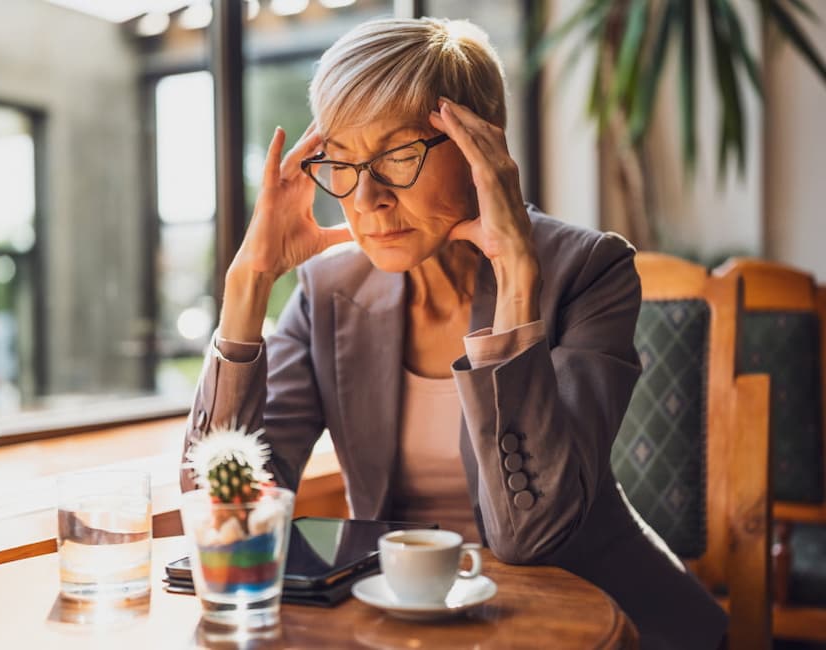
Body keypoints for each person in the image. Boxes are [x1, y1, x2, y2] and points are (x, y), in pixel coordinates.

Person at [180, 16, 726, 649]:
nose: (367, 197)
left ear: (482, 149)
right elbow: (223, 513)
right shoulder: (330, 291)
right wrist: (248, 283)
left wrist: (516, 284)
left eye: (399, 154)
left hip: (592, 619)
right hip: (402, 623)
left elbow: (533, 536)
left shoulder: (588, 270)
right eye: (345, 161)